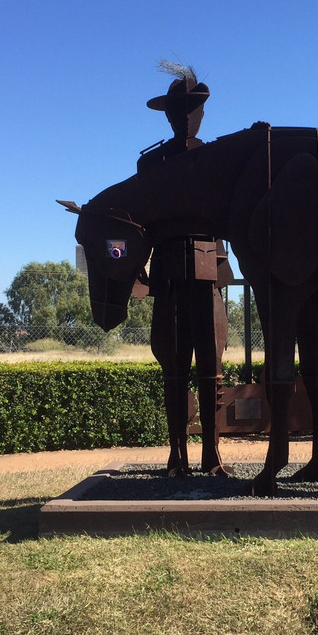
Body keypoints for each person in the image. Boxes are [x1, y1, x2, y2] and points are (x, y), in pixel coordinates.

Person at [137, 62, 232, 476]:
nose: (188, 118)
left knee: (212, 371)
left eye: (194, 110)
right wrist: (138, 270)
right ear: (170, 116)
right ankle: (177, 454)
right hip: (170, 276)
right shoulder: (151, 163)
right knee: (174, 371)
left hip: (209, 276)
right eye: (180, 111)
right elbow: (141, 221)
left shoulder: (217, 159)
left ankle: (212, 454)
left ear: (202, 114)